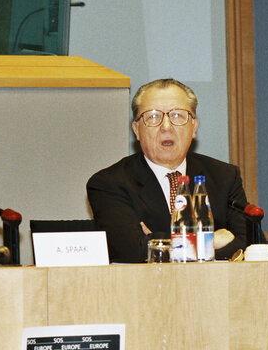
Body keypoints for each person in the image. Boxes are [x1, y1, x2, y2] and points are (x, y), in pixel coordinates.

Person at [87, 78, 247, 263]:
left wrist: (156, 240)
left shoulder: (224, 177)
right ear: (136, 130)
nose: (166, 127)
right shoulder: (108, 183)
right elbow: (132, 250)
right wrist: (210, 241)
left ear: (194, 127)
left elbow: (249, 247)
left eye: (177, 115)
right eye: (153, 116)